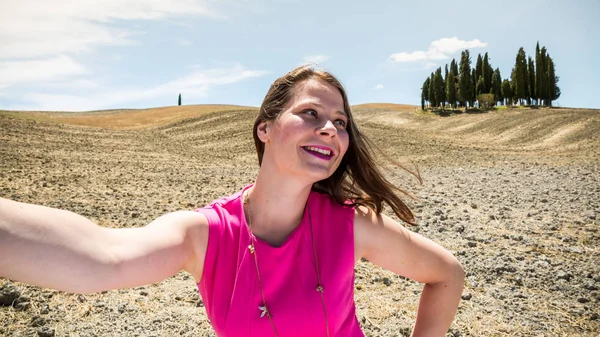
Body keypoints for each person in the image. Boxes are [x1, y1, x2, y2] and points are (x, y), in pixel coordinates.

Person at [0, 65, 465, 337]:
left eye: (340, 122)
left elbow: (446, 275)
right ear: (265, 129)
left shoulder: (350, 223)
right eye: (310, 113)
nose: (330, 129)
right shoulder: (206, 234)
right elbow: (102, 257)